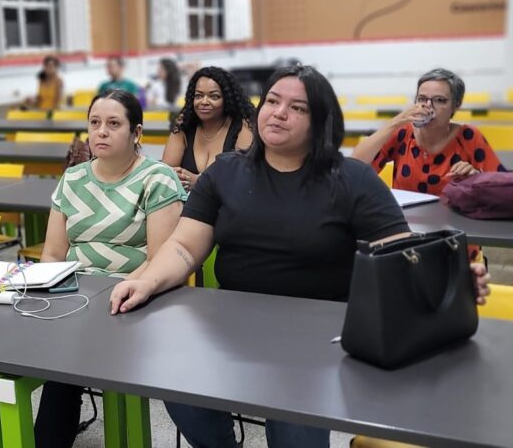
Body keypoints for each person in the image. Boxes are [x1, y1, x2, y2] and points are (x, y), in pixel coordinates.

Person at [109, 65, 492, 448]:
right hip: (232, 325)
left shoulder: (352, 179)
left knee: (294, 434)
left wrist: (448, 281)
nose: (279, 113)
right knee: (179, 389)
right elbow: (183, 246)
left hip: (318, 338)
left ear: (320, 121)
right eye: (273, 101)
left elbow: (401, 256)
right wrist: (146, 281)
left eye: (297, 108)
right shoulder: (225, 172)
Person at [33, 89, 186, 447]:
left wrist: (105, 297)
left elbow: (158, 260)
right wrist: (50, 295)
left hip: (133, 297)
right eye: (95, 123)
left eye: (114, 124)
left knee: (65, 364)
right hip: (74, 298)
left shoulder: (157, 178)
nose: (101, 131)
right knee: (44, 352)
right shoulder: (73, 179)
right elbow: (53, 254)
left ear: (136, 133)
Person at [351, 68, 506, 193]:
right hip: (406, 218)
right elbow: (355, 166)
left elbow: (504, 187)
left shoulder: (468, 136)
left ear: (456, 105)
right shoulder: (403, 132)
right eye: (422, 99)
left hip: (452, 219)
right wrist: (396, 122)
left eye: (440, 100)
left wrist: (477, 178)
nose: (428, 106)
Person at [162, 66, 255, 191]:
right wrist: (176, 175)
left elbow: (244, 178)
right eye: (198, 96)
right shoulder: (185, 123)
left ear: (227, 99)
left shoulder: (242, 126)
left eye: (214, 96)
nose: (204, 102)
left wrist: (200, 182)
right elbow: (166, 172)